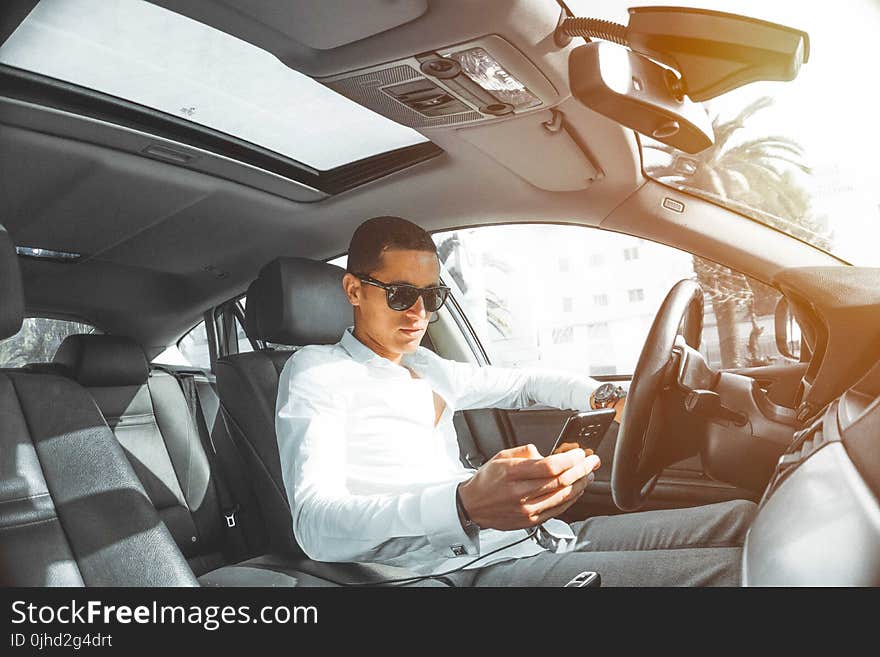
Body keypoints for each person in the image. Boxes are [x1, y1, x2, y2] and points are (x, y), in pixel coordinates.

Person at [275, 216, 755, 586]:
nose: (420, 314)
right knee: (739, 575)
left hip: (537, 538)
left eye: (432, 295)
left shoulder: (430, 367)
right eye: (401, 295)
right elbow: (315, 526)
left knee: (742, 520)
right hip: (461, 571)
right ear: (354, 290)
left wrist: (606, 395)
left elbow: (524, 383)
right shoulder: (316, 372)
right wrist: (463, 506)